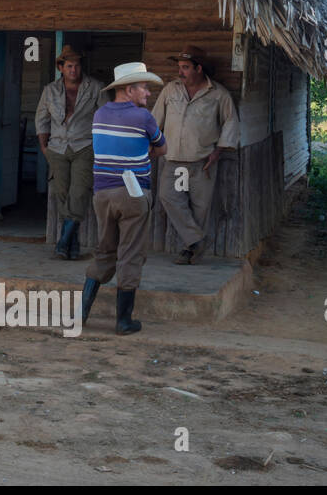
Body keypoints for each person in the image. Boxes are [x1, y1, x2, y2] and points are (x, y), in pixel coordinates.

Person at [83, 62, 167, 335]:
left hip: (102, 193)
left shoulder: (99, 115)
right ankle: (123, 321)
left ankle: (81, 313)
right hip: (133, 193)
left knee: (105, 250)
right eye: (144, 87)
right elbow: (162, 147)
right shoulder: (143, 118)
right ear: (129, 90)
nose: (148, 93)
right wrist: (143, 154)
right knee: (130, 254)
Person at [151, 46, 240, 265]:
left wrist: (218, 152)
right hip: (173, 160)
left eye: (185, 68)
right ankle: (197, 239)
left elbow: (230, 123)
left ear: (199, 69)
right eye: (179, 67)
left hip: (203, 161)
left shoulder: (218, 94)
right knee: (168, 197)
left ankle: (189, 249)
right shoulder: (171, 90)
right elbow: (155, 121)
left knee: (200, 206)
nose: (180, 72)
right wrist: (152, 145)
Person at [35, 45, 107, 260]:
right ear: (61, 68)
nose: (73, 70)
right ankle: (72, 245)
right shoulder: (50, 90)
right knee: (62, 194)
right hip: (57, 147)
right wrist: (43, 146)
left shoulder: (95, 87)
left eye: (76, 66)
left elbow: (105, 118)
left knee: (79, 193)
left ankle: (62, 242)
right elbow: (41, 119)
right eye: (69, 66)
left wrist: (101, 146)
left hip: (85, 146)